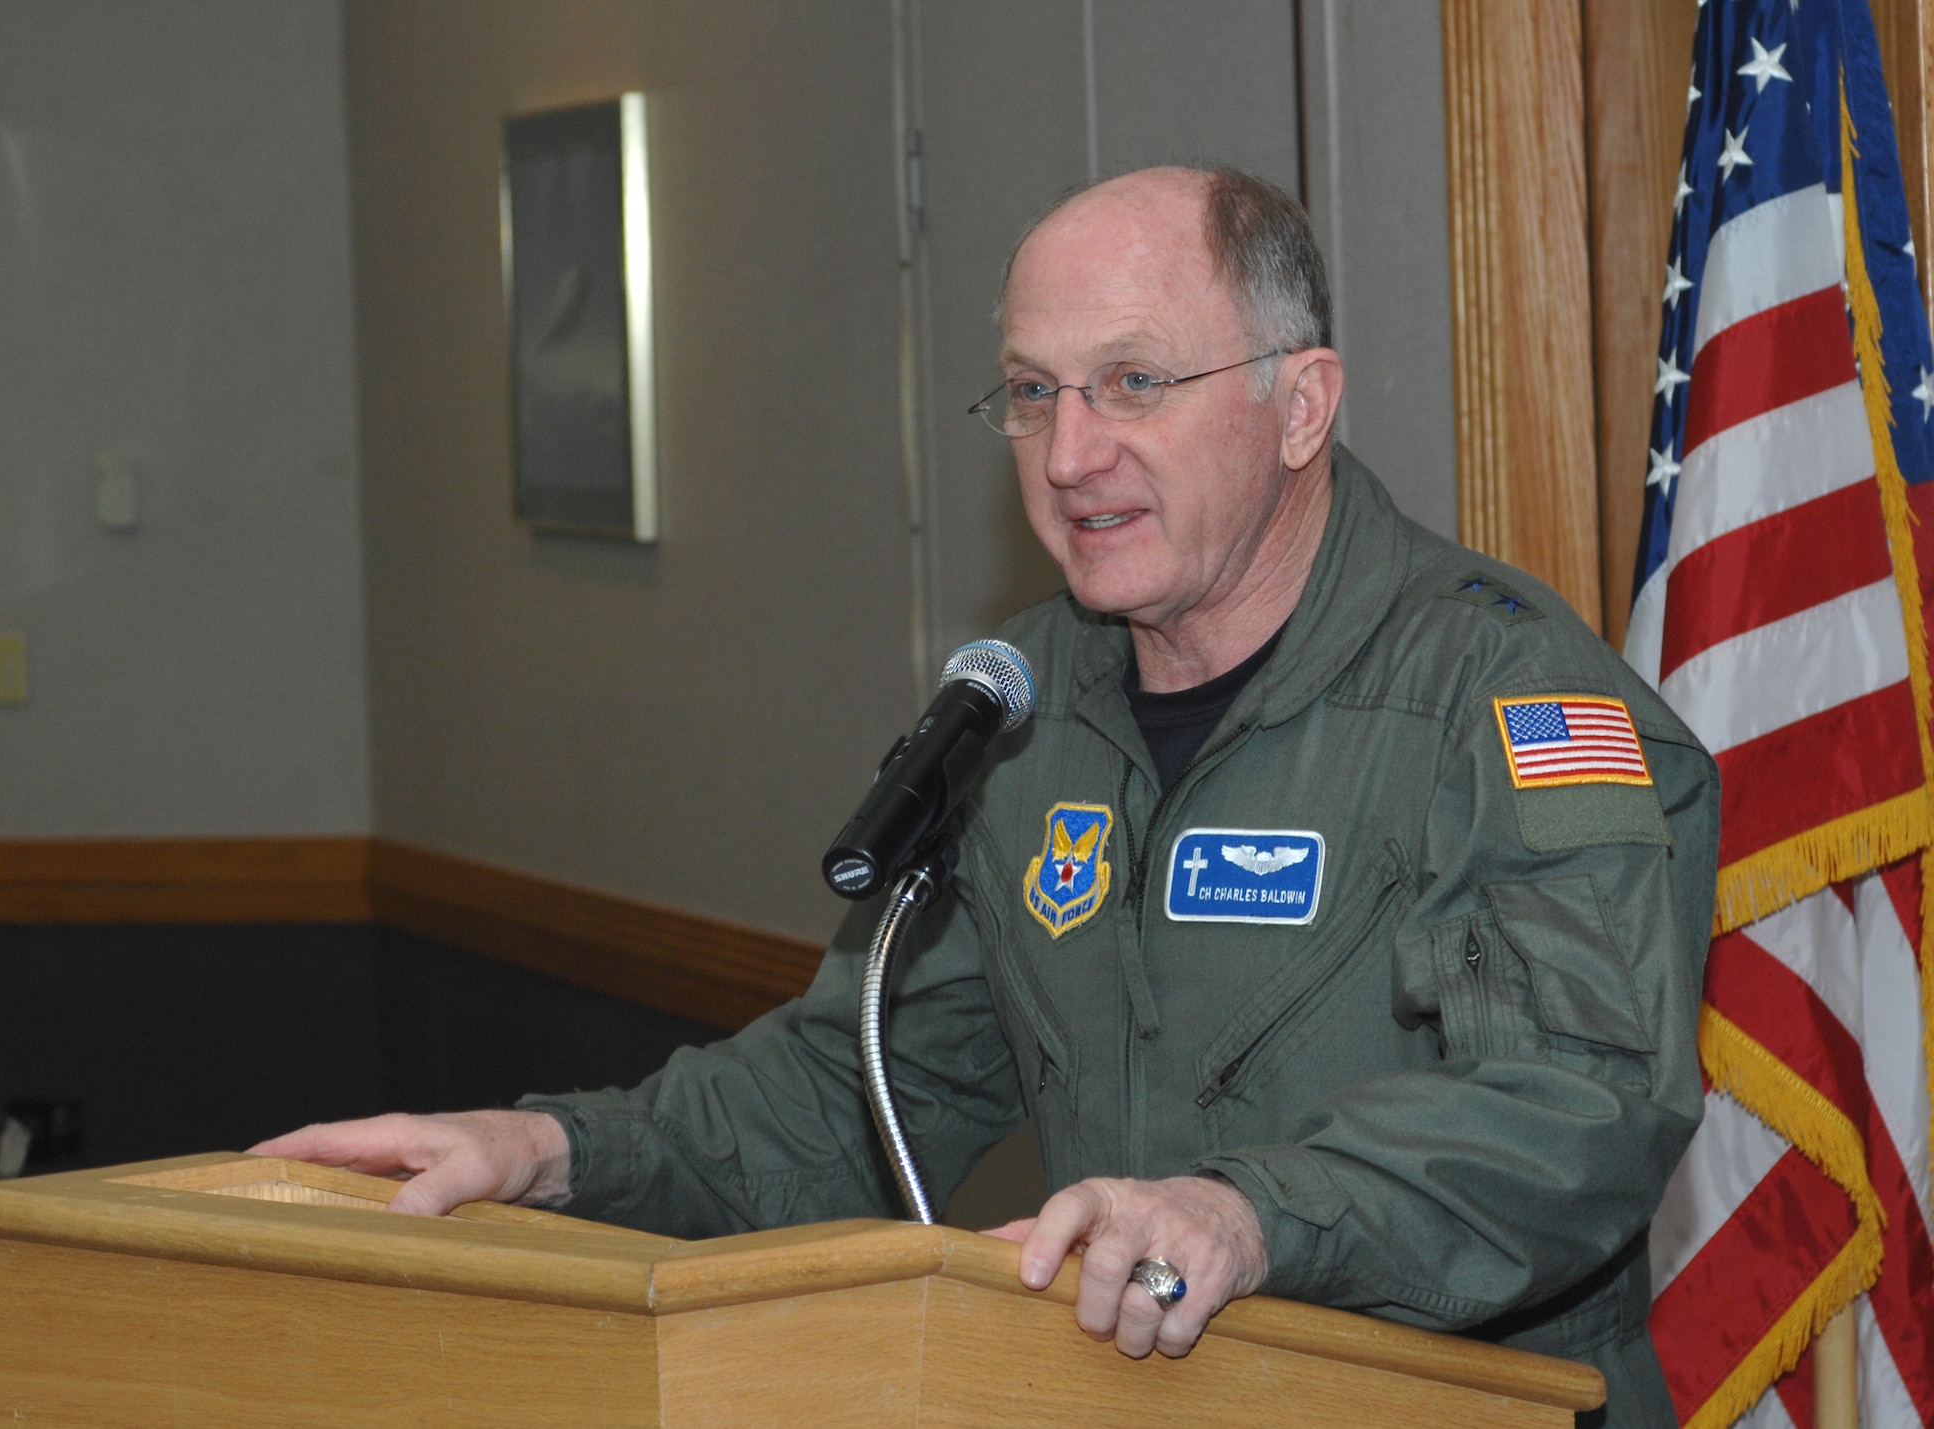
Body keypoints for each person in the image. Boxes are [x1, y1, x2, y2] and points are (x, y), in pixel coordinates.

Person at [256, 166, 1715, 1426]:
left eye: (1134, 383)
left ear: (1299, 405)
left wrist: (1248, 1216)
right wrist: (553, 1152)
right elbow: (853, 1094)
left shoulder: (1512, 700)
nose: (1070, 455)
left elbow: (1578, 1110)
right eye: (1032, 393)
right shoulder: (1020, 710)